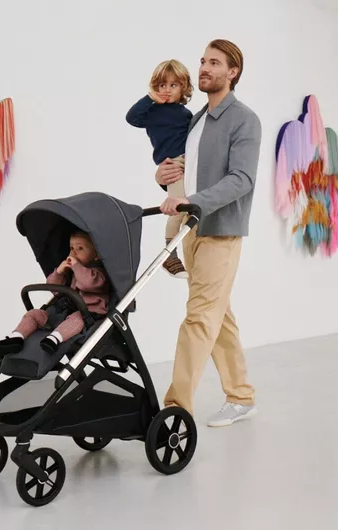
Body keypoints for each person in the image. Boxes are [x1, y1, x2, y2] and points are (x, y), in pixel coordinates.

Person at [158, 40, 262, 427]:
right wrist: (163, 176)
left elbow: (242, 179)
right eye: (203, 61)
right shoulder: (197, 119)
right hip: (192, 229)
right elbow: (189, 172)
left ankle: (174, 408)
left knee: (199, 318)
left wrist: (195, 201)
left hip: (221, 231)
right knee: (218, 315)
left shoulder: (244, 120)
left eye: (214, 63)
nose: (204, 68)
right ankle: (242, 396)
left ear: (232, 72)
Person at [0, 231, 110, 356]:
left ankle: (53, 339)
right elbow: (54, 288)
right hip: (63, 313)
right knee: (34, 314)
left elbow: (88, 283)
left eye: (80, 248)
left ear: (96, 255)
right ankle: (16, 338)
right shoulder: (72, 272)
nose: (74, 252)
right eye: (71, 248)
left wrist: (76, 266)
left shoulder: (98, 274)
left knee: (77, 319)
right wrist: (59, 272)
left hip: (87, 315)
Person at [126, 59, 193, 279]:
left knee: (190, 205)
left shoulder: (186, 114)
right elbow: (131, 118)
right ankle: (169, 253)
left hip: (190, 162)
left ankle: (183, 246)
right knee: (178, 207)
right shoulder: (152, 112)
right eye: (162, 85)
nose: (167, 90)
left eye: (173, 85)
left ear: (183, 87)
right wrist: (150, 98)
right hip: (172, 164)